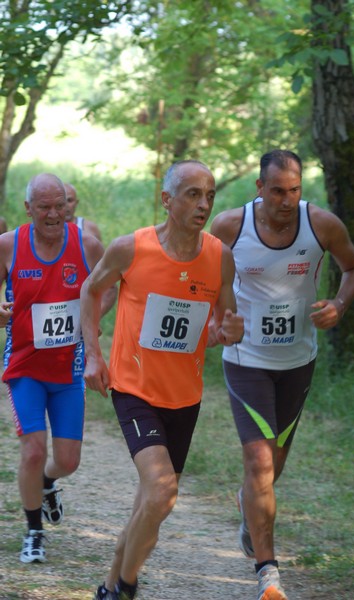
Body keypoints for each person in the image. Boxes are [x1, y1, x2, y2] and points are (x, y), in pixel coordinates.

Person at [80, 159, 244, 600]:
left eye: (209, 195)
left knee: (151, 504)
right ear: (167, 200)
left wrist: (230, 331)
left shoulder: (219, 257)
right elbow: (91, 290)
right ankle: (126, 590)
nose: (204, 204)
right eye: (193, 194)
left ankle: (110, 582)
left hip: (184, 397)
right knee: (163, 491)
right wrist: (93, 355)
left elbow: (220, 327)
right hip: (134, 389)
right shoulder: (130, 249)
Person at [210, 149, 354, 600]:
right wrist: (220, 319)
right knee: (258, 464)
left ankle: (247, 505)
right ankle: (268, 572)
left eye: (294, 190)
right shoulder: (229, 227)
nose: (286, 200)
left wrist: (338, 304)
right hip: (245, 360)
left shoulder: (321, 225)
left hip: (298, 361)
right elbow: (196, 278)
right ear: (259, 188)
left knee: (272, 468)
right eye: (277, 190)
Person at [0, 173, 116, 564]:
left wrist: (93, 316)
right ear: (28, 208)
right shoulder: (8, 246)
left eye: (60, 206)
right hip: (25, 367)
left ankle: (48, 483)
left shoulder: (86, 245)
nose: (53, 214)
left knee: (67, 461)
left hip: (69, 370)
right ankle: (34, 530)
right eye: (44, 207)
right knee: (33, 451)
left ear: (69, 206)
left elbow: (111, 284)